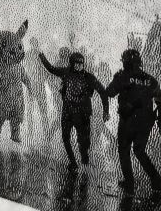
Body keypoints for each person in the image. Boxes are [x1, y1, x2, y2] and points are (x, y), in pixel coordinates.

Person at [38, 50, 109, 183]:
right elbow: (51, 69)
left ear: (84, 64)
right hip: (67, 111)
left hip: (82, 114)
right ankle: (74, 164)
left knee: (83, 144)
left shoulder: (88, 77)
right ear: (72, 63)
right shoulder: (66, 72)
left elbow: (103, 92)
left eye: (81, 63)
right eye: (76, 63)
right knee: (65, 138)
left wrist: (106, 111)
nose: (78, 66)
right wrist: (42, 57)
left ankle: (87, 171)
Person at [106, 48, 161, 195]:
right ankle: (156, 182)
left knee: (124, 150)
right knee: (139, 151)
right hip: (145, 123)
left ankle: (130, 184)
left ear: (125, 62)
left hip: (128, 121)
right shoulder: (150, 80)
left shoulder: (123, 76)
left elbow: (109, 92)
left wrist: (116, 78)